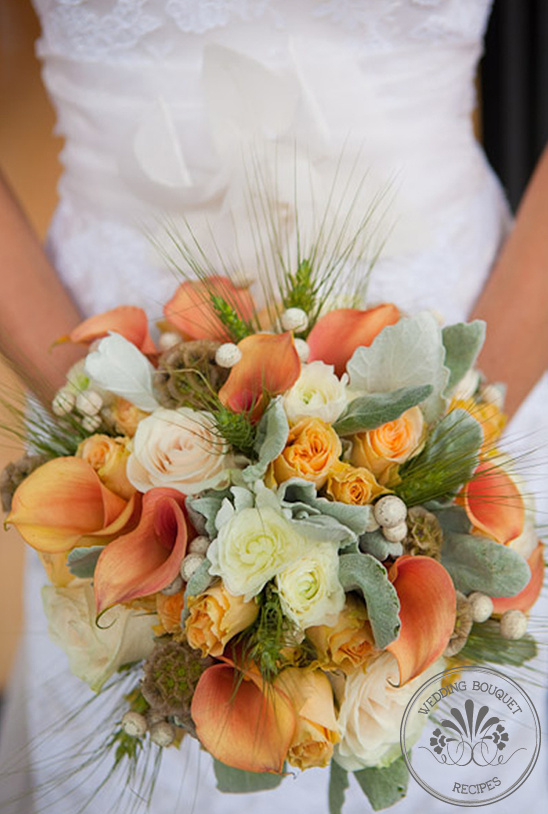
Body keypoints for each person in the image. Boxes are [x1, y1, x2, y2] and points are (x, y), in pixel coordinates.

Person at [0, 1, 547, 812]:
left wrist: (460, 430)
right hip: (109, 414)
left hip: (478, 375)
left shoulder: (464, 428)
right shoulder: (110, 438)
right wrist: (107, 431)